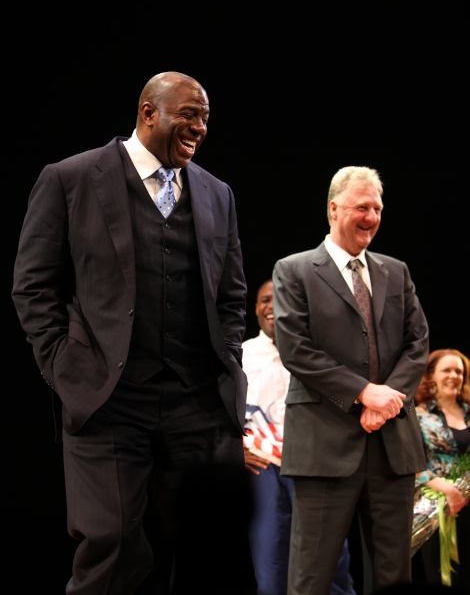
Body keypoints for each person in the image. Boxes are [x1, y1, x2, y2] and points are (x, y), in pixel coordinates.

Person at [12, 72, 248, 593]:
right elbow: (32, 286)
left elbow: (232, 296)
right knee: (113, 549)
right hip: (108, 399)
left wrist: (226, 358)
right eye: (190, 114)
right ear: (148, 113)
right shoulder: (71, 178)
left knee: (212, 552)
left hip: (198, 402)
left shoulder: (217, 193)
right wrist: (63, 367)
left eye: (206, 118)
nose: (200, 128)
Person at [272, 166, 429, 595]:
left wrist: (386, 401)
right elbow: (296, 349)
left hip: (392, 448)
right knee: (311, 578)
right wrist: (363, 394)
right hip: (325, 447)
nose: (372, 217)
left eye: (378, 208)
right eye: (363, 207)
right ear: (333, 208)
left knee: (396, 578)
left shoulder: (396, 272)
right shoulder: (294, 270)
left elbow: (418, 343)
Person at [243, 280, 356, 595]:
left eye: (279, 299)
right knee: (272, 560)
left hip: (314, 463)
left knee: (332, 560)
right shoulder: (241, 354)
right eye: (265, 300)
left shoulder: (317, 352)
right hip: (263, 468)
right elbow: (220, 409)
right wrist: (233, 448)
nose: (272, 306)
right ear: (256, 308)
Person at [414, 349, 470, 589]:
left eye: (459, 371)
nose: (454, 376)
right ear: (430, 376)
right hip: (438, 510)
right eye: (446, 370)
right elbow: (411, 465)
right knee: (444, 580)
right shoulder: (417, 415)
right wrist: (446, 489)